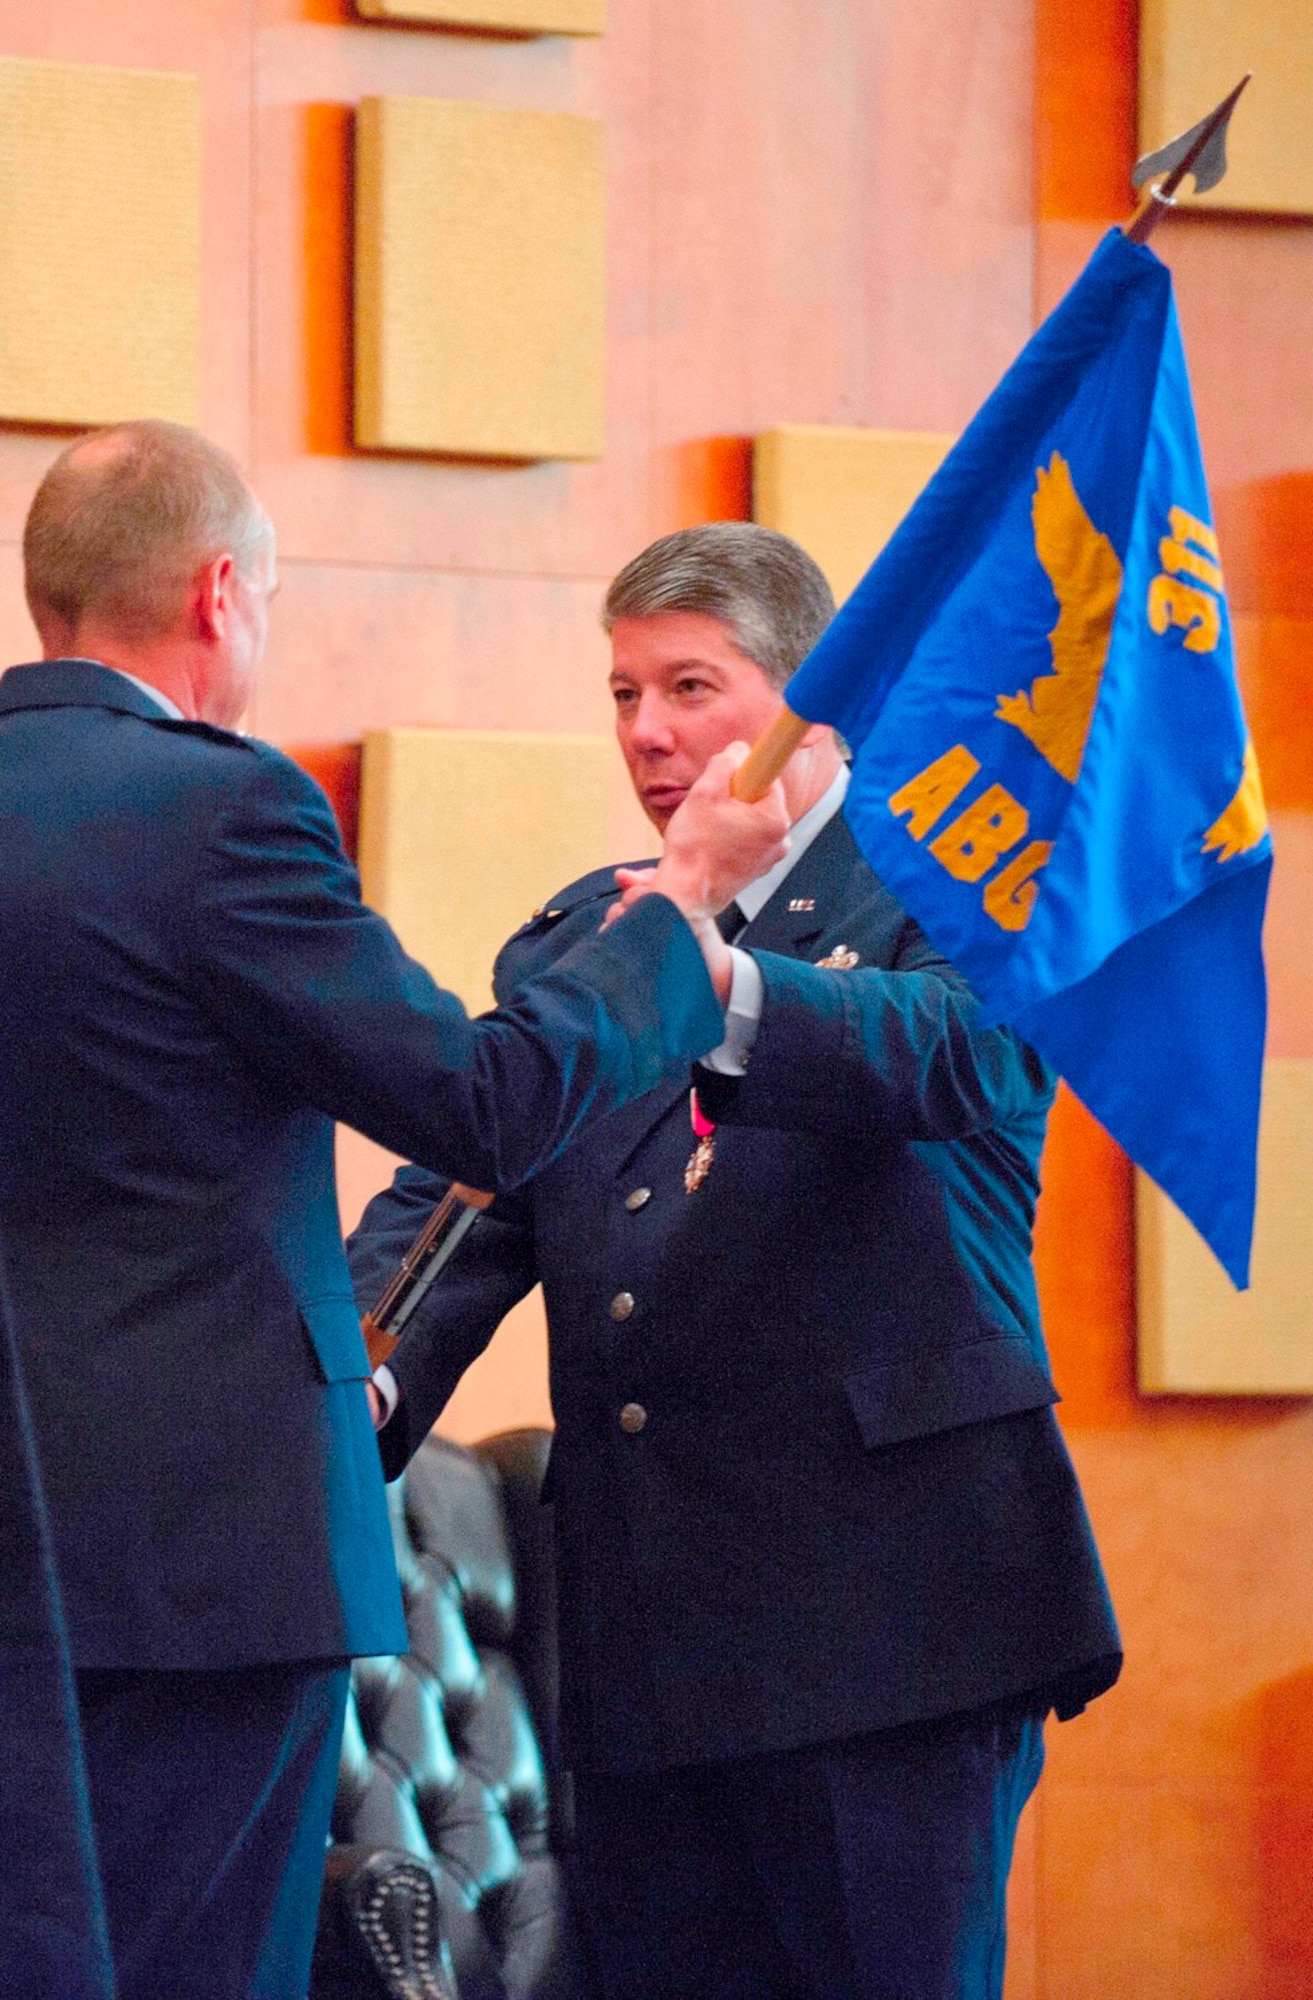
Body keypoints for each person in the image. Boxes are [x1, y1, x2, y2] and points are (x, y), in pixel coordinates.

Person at [0, 428, 789, 2000]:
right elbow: (482, 1109)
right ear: (223, 594)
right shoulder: (214, 810)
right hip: (198, 1562)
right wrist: (680, 902)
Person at [350, 522, 1123, 2000]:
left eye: (689, 687)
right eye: (623, 693)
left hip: (890, 1630)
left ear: (810, 703)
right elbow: (467, 1198)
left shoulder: (960, 887)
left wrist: (711, 976)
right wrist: (345, 1385)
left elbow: (951, 1058)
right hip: (651, 1636)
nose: (646, 734)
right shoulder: (589, 936)